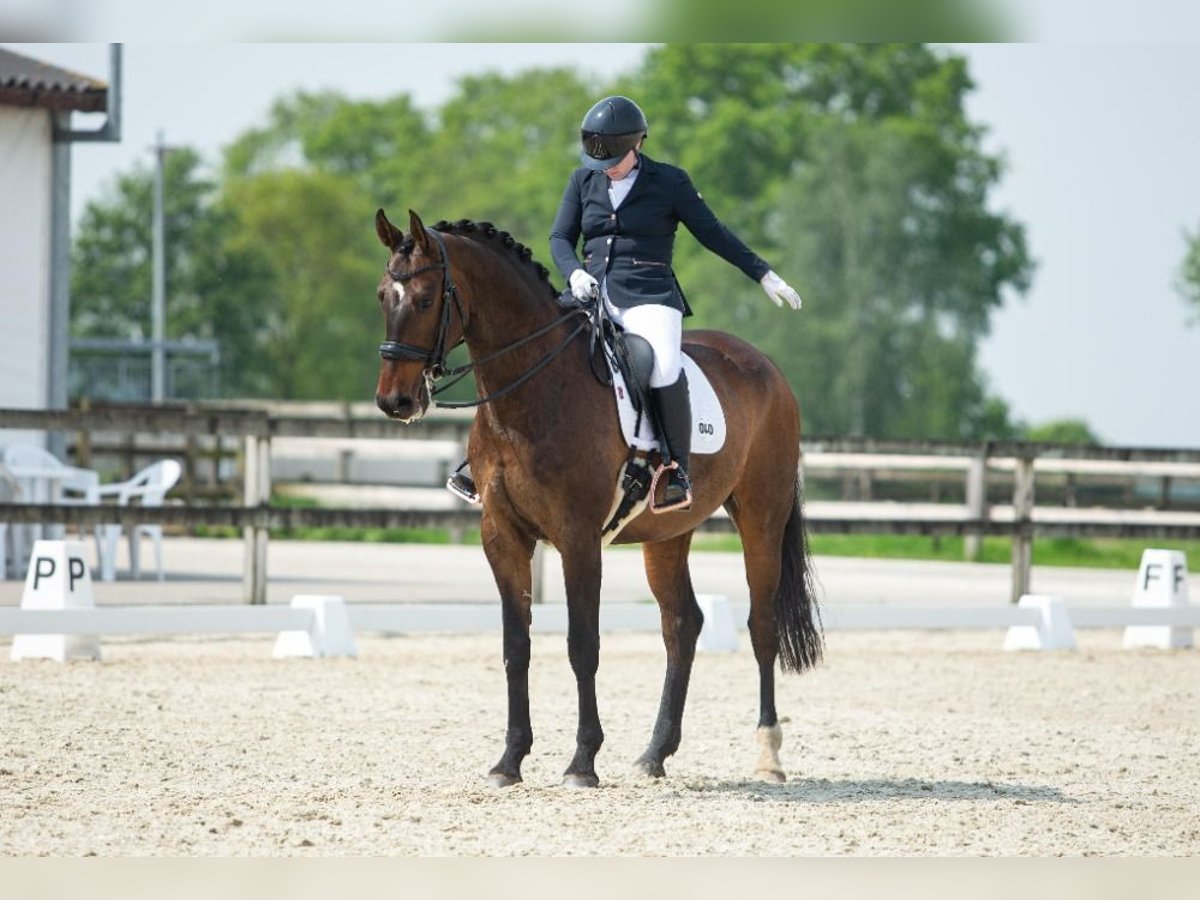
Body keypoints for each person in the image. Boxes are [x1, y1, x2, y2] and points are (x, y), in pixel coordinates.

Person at [548, 95, 803, 511]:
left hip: (648, 296)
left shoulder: (669, 182)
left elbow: (713, 233)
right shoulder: (582, 180)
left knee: (665, 364)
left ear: (638, 145)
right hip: (589, 293)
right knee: (538, 345)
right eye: (600, 161)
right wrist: (574, 271)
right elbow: (560, 237)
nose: (607, 168)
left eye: (614, 159)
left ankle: (674, 469)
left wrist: (763, 273)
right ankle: (486, 453)